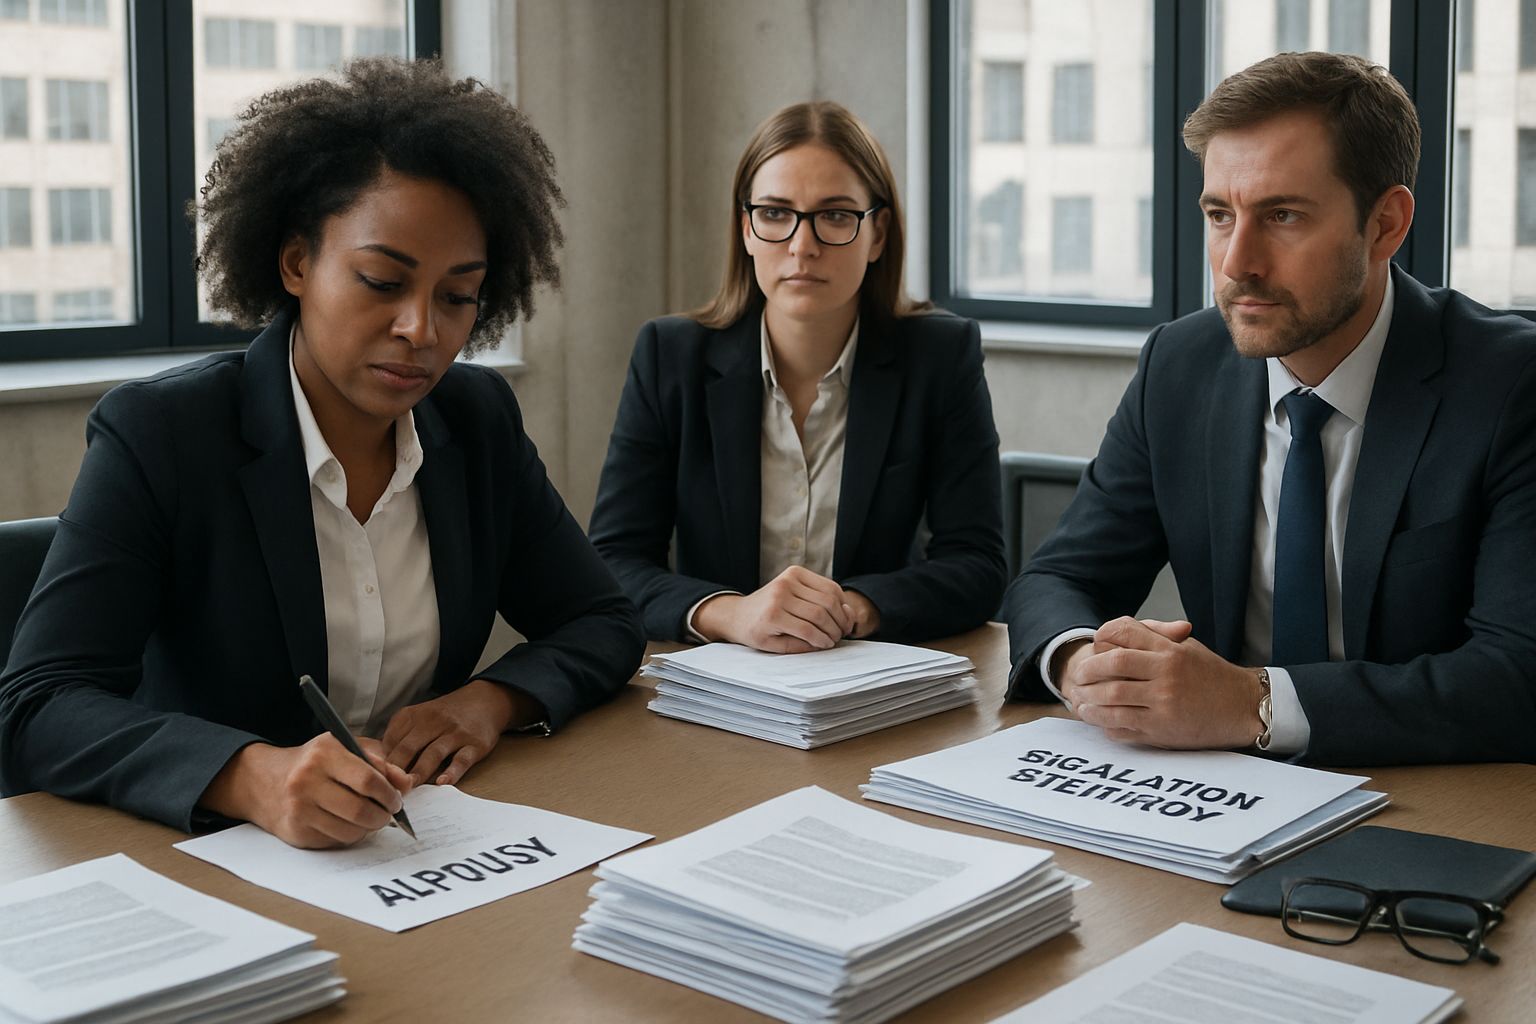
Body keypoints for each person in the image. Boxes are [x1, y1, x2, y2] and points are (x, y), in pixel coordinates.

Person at [0, 58, 645, 847]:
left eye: (457, 295)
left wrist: (490, 701)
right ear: (297, 263)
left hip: (418, 852)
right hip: (209, 863)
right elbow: (38, 703)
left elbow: (600, 620)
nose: (423, 330)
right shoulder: (163, 434)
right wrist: (248, 775)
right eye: (381, 281)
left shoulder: (475, 422)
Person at [1003, 51, 1536, 766]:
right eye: (1220, 214)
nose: (1235, 263)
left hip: (1430, 801)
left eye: (1282, 215)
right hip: (1219, 795)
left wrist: (1250, 702)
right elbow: (1060, 578)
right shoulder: (1178, 366)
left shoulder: (1509, 383)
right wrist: (1081, 665)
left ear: (1385, 225)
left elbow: (1517, 676)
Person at [589, 101, 1004, 654]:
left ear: (877, 233)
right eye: (776, 213)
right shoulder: (671, 355)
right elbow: (612, 562)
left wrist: (848, 609)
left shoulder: (940, 356)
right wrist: (731, 614)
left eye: (835, 215)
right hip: (721, 684)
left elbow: (977, 564)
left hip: (868, 679)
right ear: (747, 229)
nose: (802, 246)